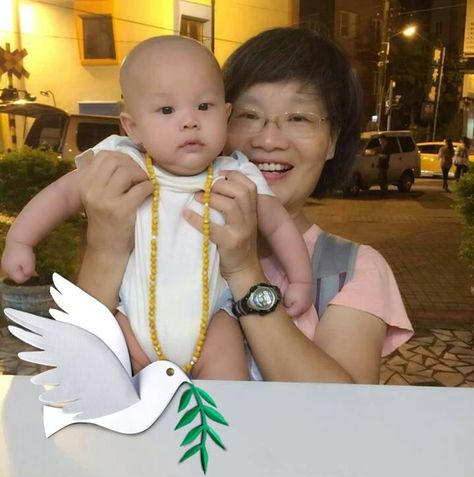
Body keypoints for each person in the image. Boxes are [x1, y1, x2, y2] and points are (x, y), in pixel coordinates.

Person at [75, 27, 414, 384]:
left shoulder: (351, 270)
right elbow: (77, 377)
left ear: (331, 142)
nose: (268, 140)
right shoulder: (135, 227)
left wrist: (244, 271)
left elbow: (343, 409)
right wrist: (104, 252)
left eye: (299, 118)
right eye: (249, 116)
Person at [1, 36, 314, 379]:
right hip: (129, 322)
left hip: (212, 327)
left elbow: (278, 225)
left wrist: (300, 278)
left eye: (204, 106)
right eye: (167, 110)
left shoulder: (237, 174)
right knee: (108, 377)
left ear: (226, 115)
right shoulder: (121, 162)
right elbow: (60, 196)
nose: (190, 121)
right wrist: (21, 240)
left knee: (228, 387)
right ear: (132, 127)